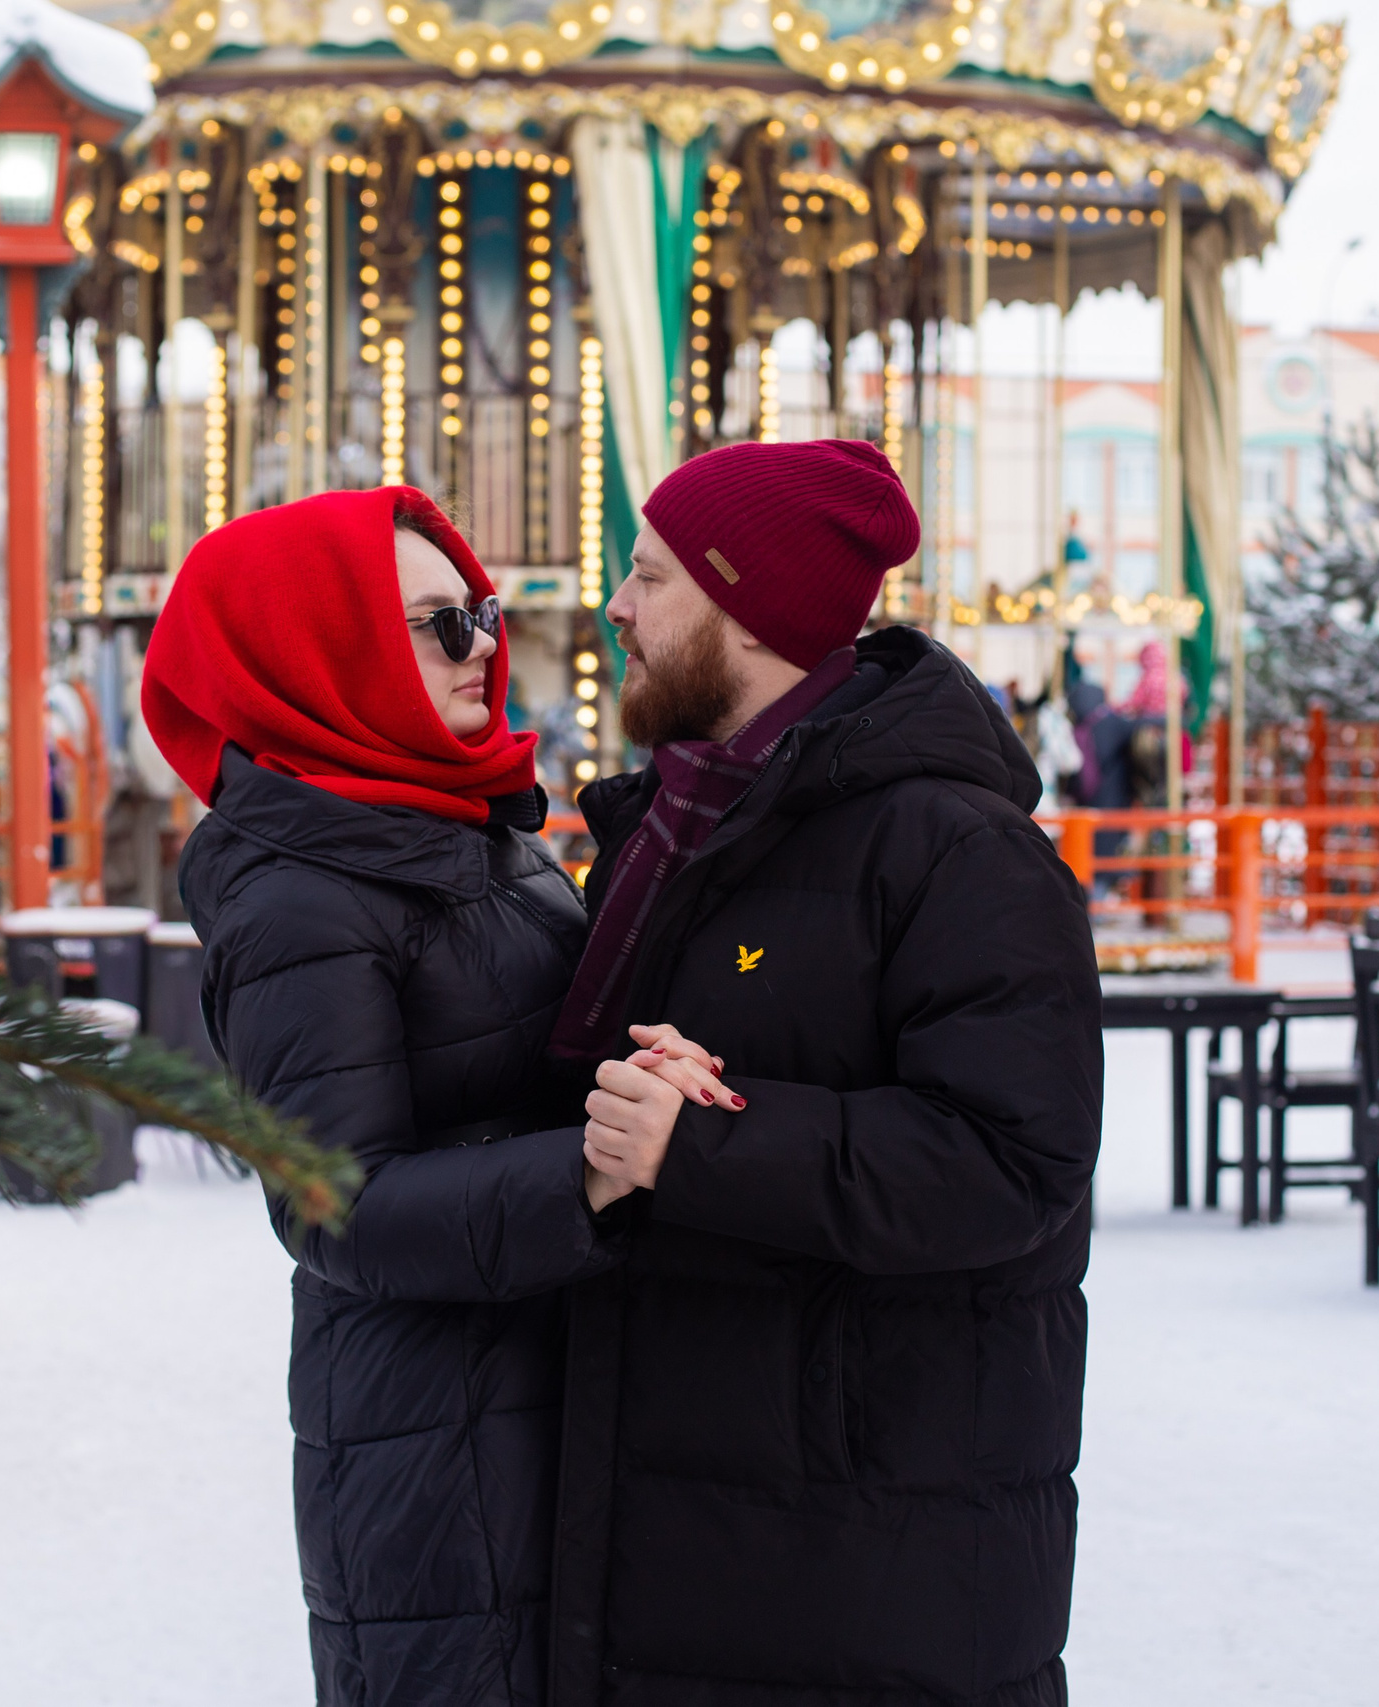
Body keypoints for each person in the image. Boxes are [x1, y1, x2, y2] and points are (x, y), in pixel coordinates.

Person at [547, 438, 1104, 1706]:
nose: (618, 609)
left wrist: (704, 1141)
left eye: (649, 577)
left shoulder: (958, 852)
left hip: (865, 1554)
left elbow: (1014, 1163)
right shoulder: (673, 828)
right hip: (698, 1517)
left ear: (745, 604)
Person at [141, 487, 718, 1707]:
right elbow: (331, 1203)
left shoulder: (465, 820)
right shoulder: (296, 889)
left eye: (481, 614)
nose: (481, 649)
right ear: (318, 648)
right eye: (432, 625)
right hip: (437, 1438)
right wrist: (587, 1169)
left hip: (552, 1376)